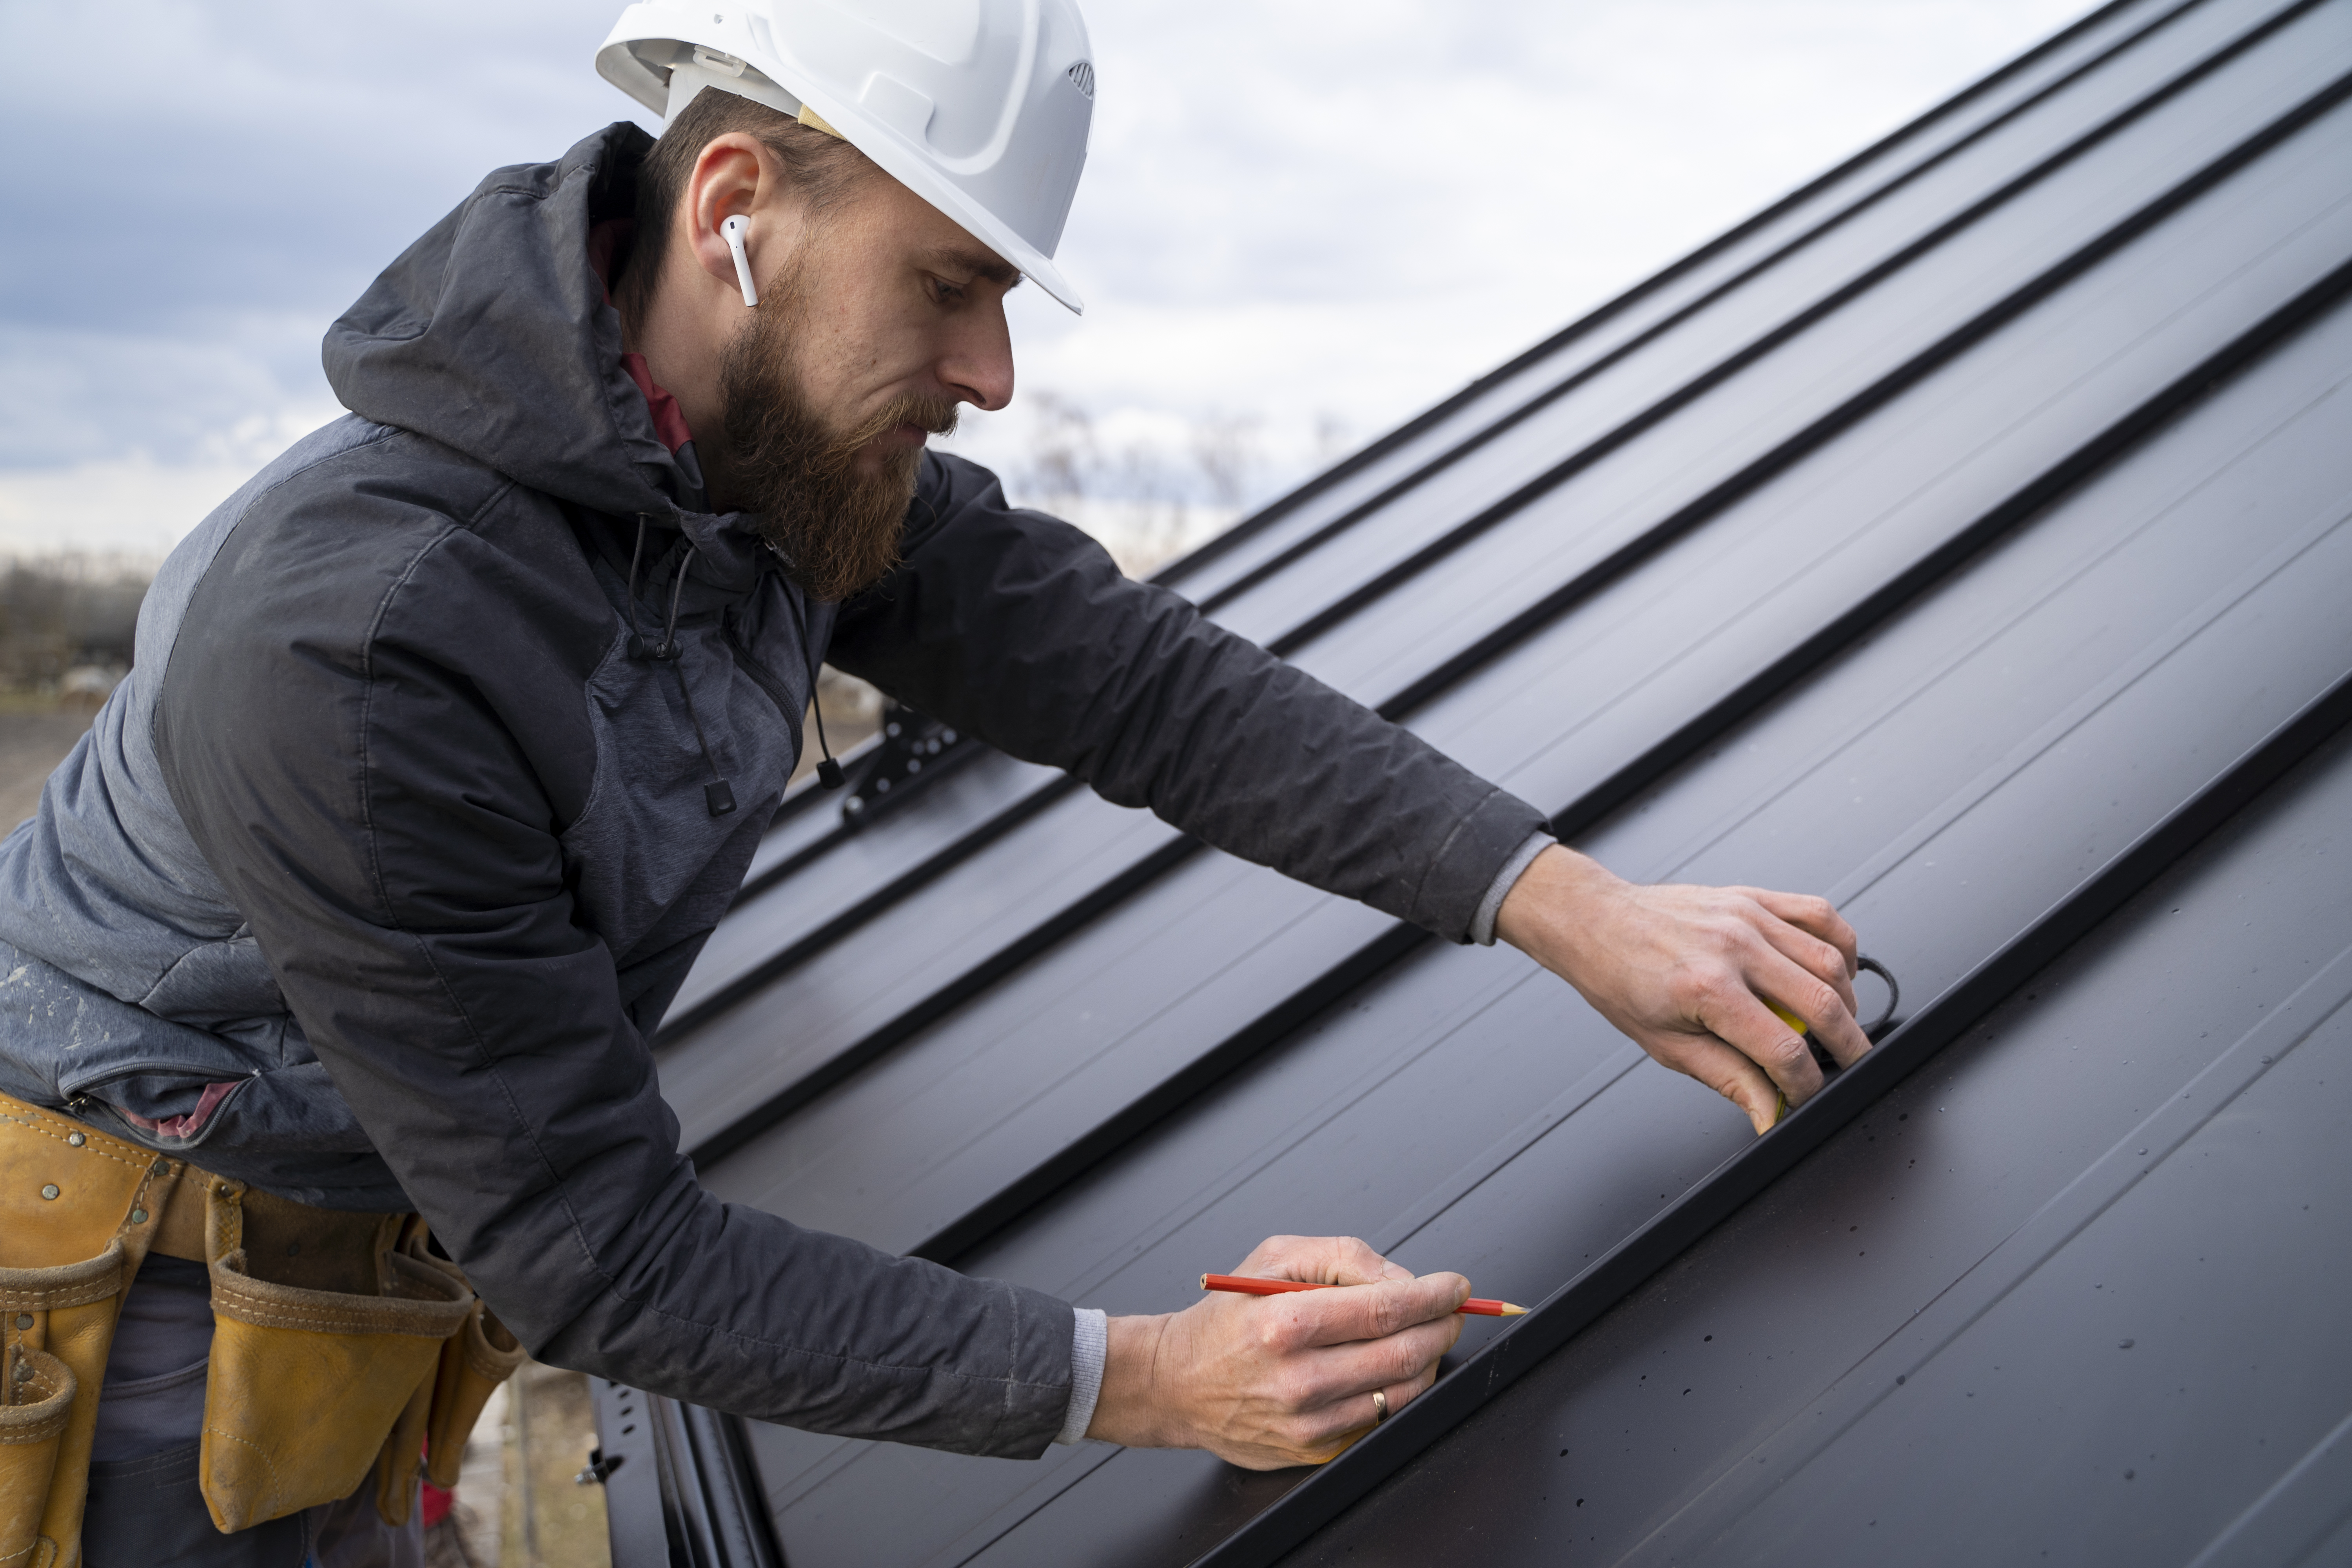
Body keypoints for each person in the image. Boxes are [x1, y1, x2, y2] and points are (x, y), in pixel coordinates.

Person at [0, 2, 1869, 1563]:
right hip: (126, 1311)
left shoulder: (756, 465)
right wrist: (1157, 1377)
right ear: (735, 209)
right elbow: (604, 1247)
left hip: (374, 1270)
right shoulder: (363, 643)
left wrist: (1577, 905)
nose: (987, 370)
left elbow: (1139, 686)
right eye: (951, 283)